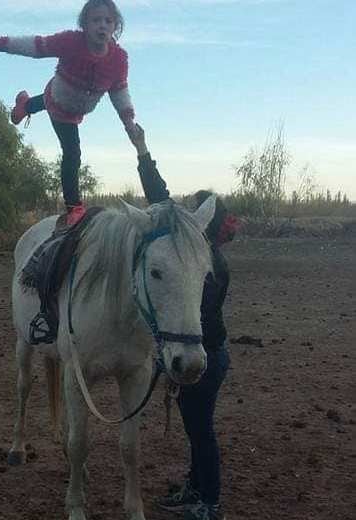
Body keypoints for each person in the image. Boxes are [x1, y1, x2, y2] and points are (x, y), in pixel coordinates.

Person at [127, 124, 238, 520]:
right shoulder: (196, 255)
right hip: (204, 353)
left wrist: (167, 358)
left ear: (204, 222)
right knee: (196, 429)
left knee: (202, 431)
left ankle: (209, 503)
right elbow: (160, 197)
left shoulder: (207, 266)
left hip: (204, 356)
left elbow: (193, 319)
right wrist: (141, 150)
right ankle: (195, 489)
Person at [0, 0, 136, 226]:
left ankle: (25, 104)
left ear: (115, 26)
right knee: (72, 152)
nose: (102, 26)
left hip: (73, 106)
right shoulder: (71, 42)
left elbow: (119, 91)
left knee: (44, 102)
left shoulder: (118, 60)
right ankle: (74, 207)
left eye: (108, 21)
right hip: (61, 105)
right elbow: (36, 46)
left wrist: (129, 121)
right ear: (85, 25)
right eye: (96, 20)